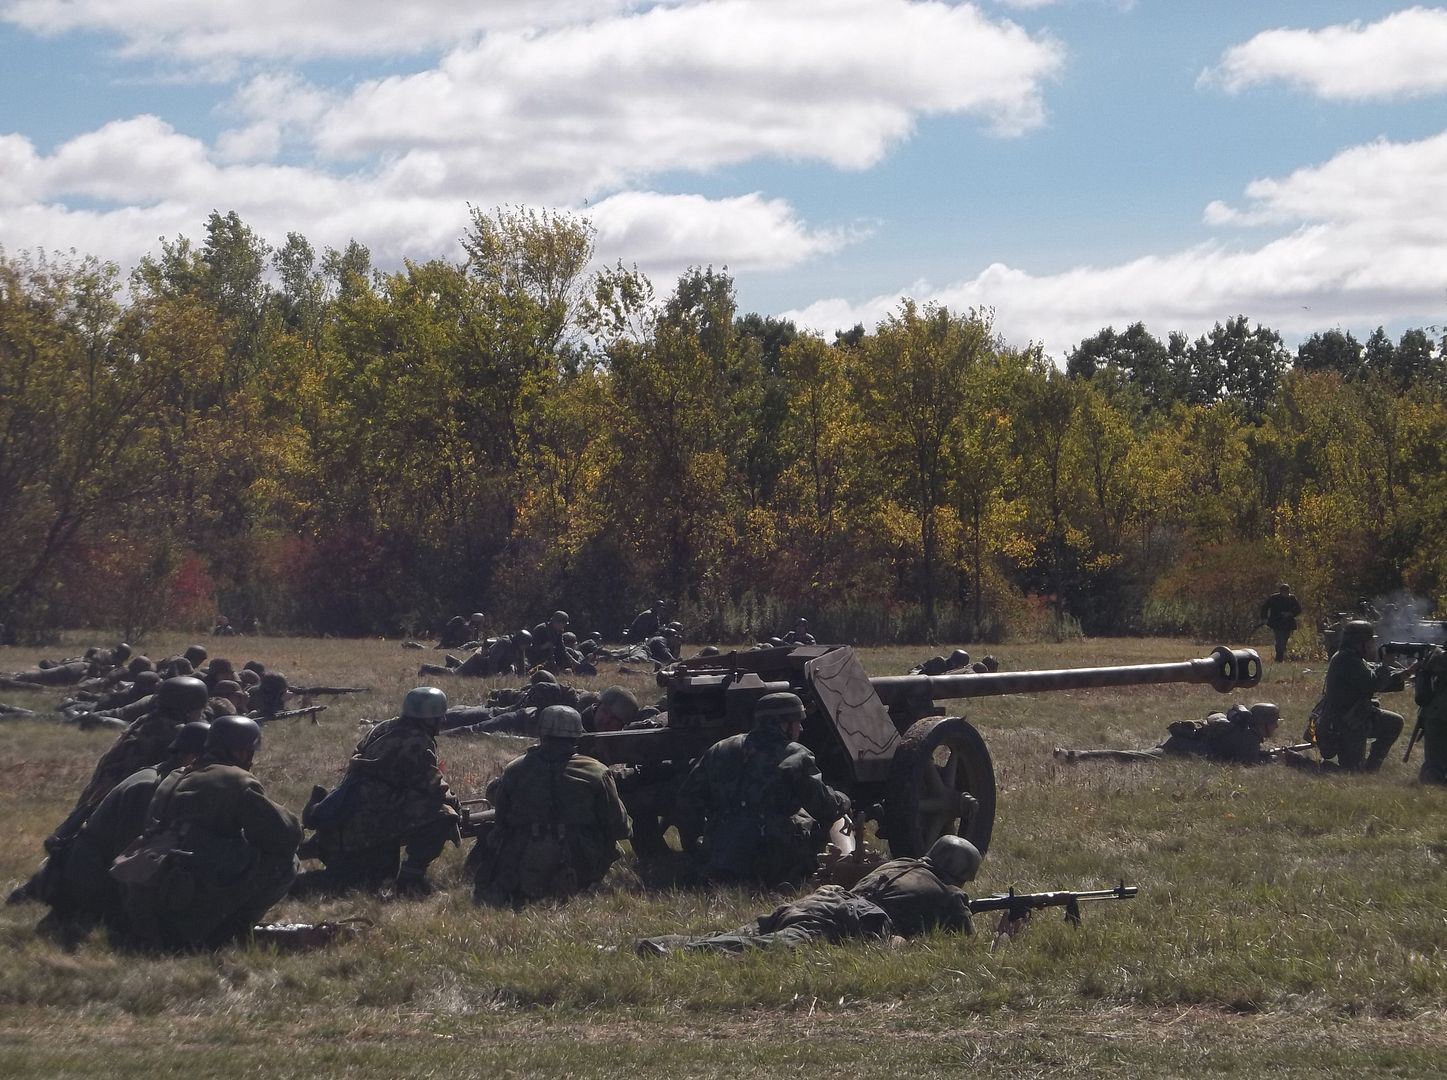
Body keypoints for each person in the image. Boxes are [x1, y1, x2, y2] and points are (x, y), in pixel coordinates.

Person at [115, 715, 301, 950]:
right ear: (242, 752)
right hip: (183, 894)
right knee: (285, 864)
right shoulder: (235, 779)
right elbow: (284, 837)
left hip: (148, 895)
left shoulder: (176, 775)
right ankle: (228, 931)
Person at [634, 834, 979, 954]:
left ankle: (668, 942)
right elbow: (965, 942)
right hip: (853, 919)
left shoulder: (901, 862)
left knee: (751, 931)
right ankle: (678, 953)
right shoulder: (948, 895)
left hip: (827, 897)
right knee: (774, 945)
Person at [36, 721, 211, 942]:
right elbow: (126, 856)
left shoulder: (162, 779)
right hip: (92, 880)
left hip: (97, 873)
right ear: (191, 756)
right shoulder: (150, 787)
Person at [675, 691, 851, 888]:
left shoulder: (720, 749)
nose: (801, 728)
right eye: (797, 721)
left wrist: (697, 849)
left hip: (720, 850)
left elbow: (687, 800)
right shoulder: (795, 755)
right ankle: (847, 868)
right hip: (774, 856)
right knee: (837, 817)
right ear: (783, 724)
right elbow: (823, 806)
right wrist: (844, 800)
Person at [297, 687, 461, 896]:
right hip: (365, 829)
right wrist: (454, 803)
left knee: (370, 876)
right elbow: (433, 788)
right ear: (432, 719)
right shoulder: (417, 742)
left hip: (347, 814)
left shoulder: (383, 728)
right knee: (443, 815)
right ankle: (411, 878)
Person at [472, 705, 632, 908]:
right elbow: (620, 827)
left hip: (521, 863)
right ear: (577, 735)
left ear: (542, 732)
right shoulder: (597, 772)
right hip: (579, 863)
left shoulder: (514, 769)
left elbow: (501, 822)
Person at [1313, 620, 1408, 772]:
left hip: (1357, 717)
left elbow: (1376, 679)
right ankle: (1312, 766)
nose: (1373, 645)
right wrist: (1385, 665)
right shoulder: (1346, 660)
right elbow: (1372, 683)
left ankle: (1371, 768)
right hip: (1344, 723)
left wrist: (1407, 673)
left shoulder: (1354, 658)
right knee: (1352, 771)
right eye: (1370, 642)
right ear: (1360, 643)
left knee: (1394, 722)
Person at [1054, 703, 1283, 765]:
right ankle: (1076, 756)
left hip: (1180, 744)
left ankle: (1076, 755)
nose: (1276, 728)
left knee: (1132, 756)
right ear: (1263, 724)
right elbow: (1248, 763)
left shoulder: (1242, 731)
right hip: (1182, 751)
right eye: (1274, 723)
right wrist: (1274, 758)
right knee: (1130, 757)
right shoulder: (1247, 738)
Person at [1412, 645, 1447, 785]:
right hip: (1438, 714)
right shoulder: (1439, 656)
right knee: (1434, 765)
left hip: (1436, 713)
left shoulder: (1438, 656)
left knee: (1435, 762)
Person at [1259, 584, 1303, 662]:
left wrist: (1290, 613)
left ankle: (1280, 656)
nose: (1286, 594)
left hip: (1288, 623)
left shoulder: (1292, 598)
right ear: (1281, 592)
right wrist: (1264, 618)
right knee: (1279, 639)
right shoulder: (1273, 598)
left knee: (1285, 639)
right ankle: (1279, 658)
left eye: (1287, 592)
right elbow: (1265, 607)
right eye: (1284, 592)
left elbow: (1299, 609)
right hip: (1277, 622)